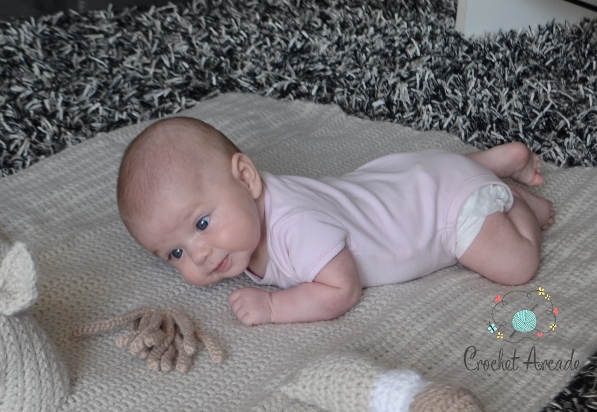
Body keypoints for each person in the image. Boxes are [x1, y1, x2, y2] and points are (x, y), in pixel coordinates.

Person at [117, 116, 553, 325]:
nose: (199, 254)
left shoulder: (294, 225)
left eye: (201, 225)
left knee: (516, 267)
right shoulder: (246, 212)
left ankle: (510, 199)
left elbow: (342, 289)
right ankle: (488, 164)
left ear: (246, 177)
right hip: (409, 179)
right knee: (412, 183)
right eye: (175, 252)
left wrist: (273, 307)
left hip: (443, 209)